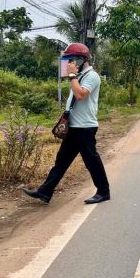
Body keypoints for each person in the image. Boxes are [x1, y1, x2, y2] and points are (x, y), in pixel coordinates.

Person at [23, 43, 110, 205]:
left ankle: (104, 191)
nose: (69, 63)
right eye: (68, 59)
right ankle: (45, 192)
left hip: (85, 127)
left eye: (72, 59)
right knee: (61, 161)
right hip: (74, 127)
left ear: (82, 60)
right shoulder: (79, 76)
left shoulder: (92, 76)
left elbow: (81, 95)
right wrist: (73, 76)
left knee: (91, 160)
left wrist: (71, 76)